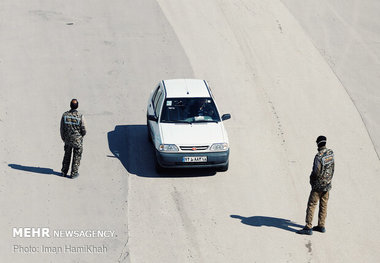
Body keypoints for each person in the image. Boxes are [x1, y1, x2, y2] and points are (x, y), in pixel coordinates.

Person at [297, 136, 335, 235]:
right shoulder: (331, 153)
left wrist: (312, 181)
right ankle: (321, 225)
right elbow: (333, 167)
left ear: (318, 144)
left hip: (318, 186)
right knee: (324, 204)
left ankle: (308, 227)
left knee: (312, 204)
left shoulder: (318, 156)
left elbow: (316, 172)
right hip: (327, 184)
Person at [60, 99, 86, 178]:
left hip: (67, 139)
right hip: (77, 140)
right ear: (77, 106)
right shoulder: (80, 116)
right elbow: (84, 129)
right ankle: (74, 173)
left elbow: (62, 128)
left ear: (70, 105)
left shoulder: (65, 115)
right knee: (77, 156)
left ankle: (64, 171)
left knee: (67, 155)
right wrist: (80, 136)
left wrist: (64, 138)